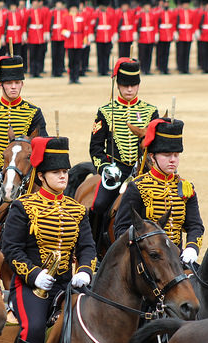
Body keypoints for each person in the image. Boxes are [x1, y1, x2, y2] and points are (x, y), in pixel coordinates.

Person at [1, 136, 96, 343]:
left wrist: (85, 271)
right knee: (34, 329)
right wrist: (34, 275)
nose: (63, 176)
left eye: (65, 172)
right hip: (32, 286)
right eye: (57, 172)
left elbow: (88, 247)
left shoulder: (77, 209)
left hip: (67, 285)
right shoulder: (23, 207)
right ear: (41, 176)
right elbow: (11, 249)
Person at [113, 118, 204, 264]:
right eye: (167, 155)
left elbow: (195, 226)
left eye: (176, 155)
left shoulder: (186, 188)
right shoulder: (138, 187)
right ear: (152, 157)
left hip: (176, 261)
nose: (173, 160)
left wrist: (192, 248)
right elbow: (121, 230)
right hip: (146, 263)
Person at [89, 58, 158, 246]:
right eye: (125, 85)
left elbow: (158, 146)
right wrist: (105, 168)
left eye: (133, 85)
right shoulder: (105, 111)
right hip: (115, 170)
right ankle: (94, 249)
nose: (129, 89)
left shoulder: (151, 111)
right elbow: (95, 147)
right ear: (117, 85)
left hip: (144, 169)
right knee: (99, 205)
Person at [0, 55, 47, 212]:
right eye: (9, 83)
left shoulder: (34, 112)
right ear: (1, 85)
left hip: (27, 180)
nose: (13, 87)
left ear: (22, 84)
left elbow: (42, 147)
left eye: (17, 83)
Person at [62, 0, 87, 84]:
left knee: (77, 61)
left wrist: (84, 41)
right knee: (71, 61)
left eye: (75, 8)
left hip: (79, 41)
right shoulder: (66, 17)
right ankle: (71, 77)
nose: (73, 9)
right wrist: (66, 33)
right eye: (72, 8)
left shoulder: (81, 17)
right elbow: (62, 29)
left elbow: (84, 30)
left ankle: (76, 77)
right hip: (70, 42)